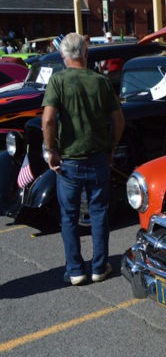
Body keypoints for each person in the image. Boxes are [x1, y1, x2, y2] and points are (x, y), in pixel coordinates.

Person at [41, 33, 125, 285]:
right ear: (85, 54)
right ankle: (99, 266)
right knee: (99, 213)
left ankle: (76, 269)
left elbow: (48, 119)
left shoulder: (58, 81)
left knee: (69, 216)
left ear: (63, 55)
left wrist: (50, 150)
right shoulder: (100, 81)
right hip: (98, 156)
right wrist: (112, 146)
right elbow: (119, 119)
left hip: (69, 160)